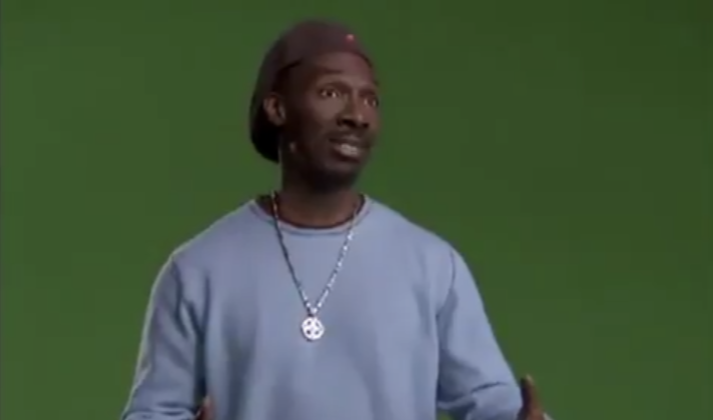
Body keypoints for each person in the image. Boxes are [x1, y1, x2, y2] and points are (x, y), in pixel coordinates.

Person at [121, 19, 554, 420]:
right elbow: (154, 411)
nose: (357, 115)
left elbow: (489, 400)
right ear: (277, 109)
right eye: (331, 93)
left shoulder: (433, 265)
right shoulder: (197, 270)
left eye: (370, 99)